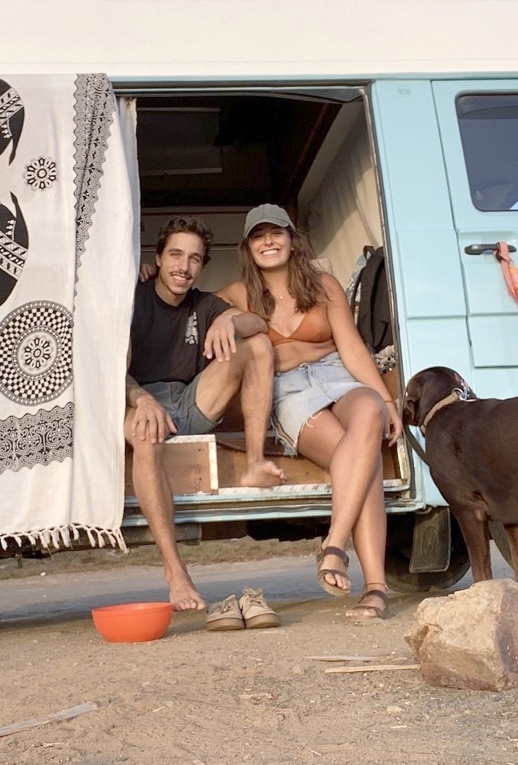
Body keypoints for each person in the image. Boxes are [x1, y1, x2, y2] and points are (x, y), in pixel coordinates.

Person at [217, 204, 403, 621]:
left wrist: (387, 400)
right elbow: (187, 303)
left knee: (370, 409)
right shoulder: (235, 294)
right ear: (248, 247)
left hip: (336, 373)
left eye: (276, 233)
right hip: (287, 389)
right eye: (258, 235)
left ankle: (334, 544)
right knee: (365, 462)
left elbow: (352, 348)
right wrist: (152, 276)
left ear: (291, 239)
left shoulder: (323, 285)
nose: (268, 241)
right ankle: (376, 588)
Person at [126, 217, 285, 611]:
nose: (184, 266)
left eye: (194, 259)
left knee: (259, 345)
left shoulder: (203, 304)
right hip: (136, 399)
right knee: (146, 435)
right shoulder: (131, 296)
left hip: (187, 403)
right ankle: (176, 571)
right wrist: (141, 399)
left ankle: (254, 462)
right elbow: (106, 366)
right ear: (158, 258)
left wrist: (228, 319)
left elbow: (258, 323)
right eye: (175, 255)